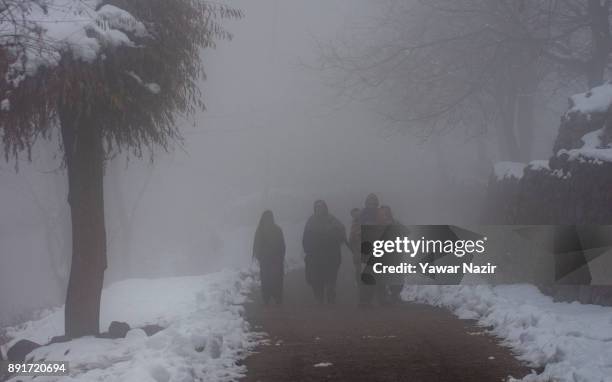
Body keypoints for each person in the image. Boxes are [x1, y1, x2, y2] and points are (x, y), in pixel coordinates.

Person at [302, 200, 346, 304]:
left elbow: (341, 234)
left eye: (321, 208)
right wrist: (307, 249)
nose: (319, 210)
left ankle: (330, 295)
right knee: (316, 279)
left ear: (325, 208)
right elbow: (306, 238)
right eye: (317, 208)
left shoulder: (332, 220)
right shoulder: (311, 221)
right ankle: (319, 298)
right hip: (315, 256)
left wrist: (333, 238)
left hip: (331, 255)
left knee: (331, 278)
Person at [378, 205, 409, 304]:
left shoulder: (396, 223)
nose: (385, 215)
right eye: (383, 213)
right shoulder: (377, 225)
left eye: (387, 212)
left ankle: (394, 295)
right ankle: (383, 297)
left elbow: (407, 232)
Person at [253, 210, 285, 305]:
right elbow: (257, 246)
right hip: (267, 261)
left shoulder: (276, 230)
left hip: (274, 261)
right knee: (268, 280)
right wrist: (260, 257)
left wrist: (280, 256)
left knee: (275, 280)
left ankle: (275, 298)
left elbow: (282, 245)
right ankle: (268, 299)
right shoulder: (261, 231)